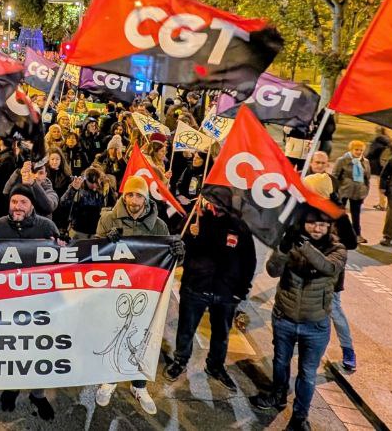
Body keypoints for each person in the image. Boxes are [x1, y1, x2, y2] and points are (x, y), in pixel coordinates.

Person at [250, 209, 347, 431]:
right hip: (285, 317)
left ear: (329, 227)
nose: (317, 228)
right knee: (280, 361)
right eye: (312, 223)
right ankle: (277, 395)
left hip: (315, 325)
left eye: (322, 225)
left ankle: (300, 416)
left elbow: (327, 267)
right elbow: (273, 270)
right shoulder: (292, 241)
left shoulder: (338, 250)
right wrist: (283, 248)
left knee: (307, 373)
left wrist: (302, 245)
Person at [0, 187, 61, 421]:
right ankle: (12, 387)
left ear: (32, 205)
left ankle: (37, 394)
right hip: (7, 302)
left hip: (40, 302)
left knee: (38, 348)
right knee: (12, 347)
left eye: (23, 202)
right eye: (14, 201)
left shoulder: (46, 226)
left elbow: (62, 259)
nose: (17, 206)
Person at [94, 175, 170, 415]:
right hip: (115, 290)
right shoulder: (107, 219)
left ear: (146, 199)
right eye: (130, 194)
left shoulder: (159, 226)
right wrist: (106, 242)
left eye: (138, 195)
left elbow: (167, 260)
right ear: (123, 195)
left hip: (145, 291)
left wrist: (179, 252)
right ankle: (109, 380)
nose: (133, 199)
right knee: (112, 335)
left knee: (141, 339)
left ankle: (139, 385)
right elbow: (94, 254)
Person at [163, 200, 256, 389]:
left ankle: (215, 365)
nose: (214, 205)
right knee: (186, 328)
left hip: (226, 294)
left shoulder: (239, 227)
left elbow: (249, 261)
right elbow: (178, 250)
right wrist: (190, 235)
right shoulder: (195, 218)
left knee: (221, 334)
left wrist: (241, 292)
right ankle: (180, 360)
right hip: (195, 288)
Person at [302, 173, 358, 372]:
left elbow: (351, 243)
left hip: (328, 277)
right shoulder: (305, 210)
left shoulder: (337, 215)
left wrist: (340, 215)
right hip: (305, 273)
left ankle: (348, 349)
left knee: (334, 312)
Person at [332, 141, 372, 243]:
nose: (359, 152)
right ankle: (336, 233)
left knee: (356, 214)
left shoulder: (365, 162)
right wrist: (335, 191)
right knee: (340, 213)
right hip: (344, 191)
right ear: (351, 149)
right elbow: (335, 176)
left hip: (358, 192)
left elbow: (367, 177)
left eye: (361, 150)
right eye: (356, 149)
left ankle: (357, 235)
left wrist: (366, 190)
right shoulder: (342, 160)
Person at [56, 168, 111, 240]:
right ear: (86, 180)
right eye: (91, 183)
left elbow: (111, 207)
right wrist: (73, 189)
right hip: (78, 231)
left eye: (96, 183)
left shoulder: (105, 188)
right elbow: (63, 203)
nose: (94, 186)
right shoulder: (77, 188)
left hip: (97, 232)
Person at [364, 127, 392, 210]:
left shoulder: (376, 142)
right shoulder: (389, 142)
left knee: (378, 186)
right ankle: (385, 204)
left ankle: (382, 205)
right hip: (385, 166)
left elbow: (371, 153)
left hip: (376, 166)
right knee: (384, 186)